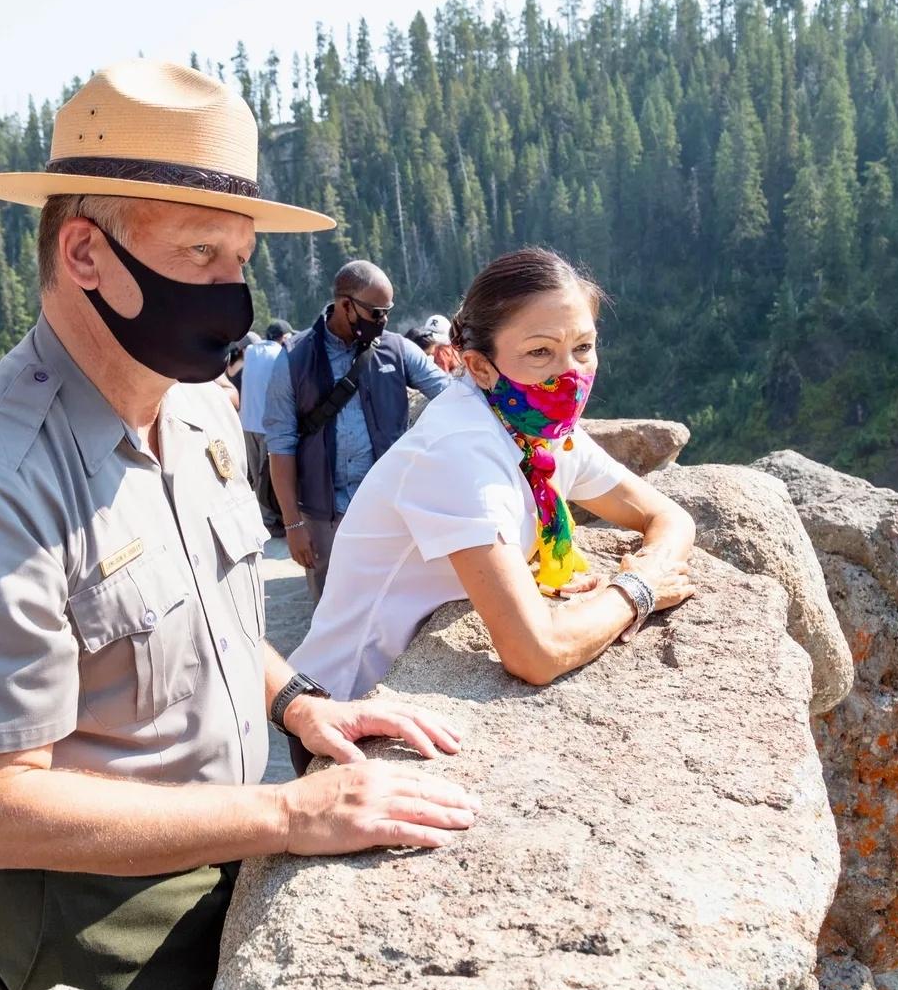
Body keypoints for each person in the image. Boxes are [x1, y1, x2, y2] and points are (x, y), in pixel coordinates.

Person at [0, 60, 476, 990]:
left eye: (240, 259)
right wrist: (286, 812)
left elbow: (203, 618)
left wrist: (297, 704)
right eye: (200, 256)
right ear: (84, 255)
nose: (231, 292)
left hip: (219, 869)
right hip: (86, 941)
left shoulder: (194, 414)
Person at [289, 247, 697, 712]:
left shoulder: (536, 429)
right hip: (346, 704)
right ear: (481, 367)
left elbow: (666, 515)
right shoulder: (457, 450)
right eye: (540, 352)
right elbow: (536, 654)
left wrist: (655, 563)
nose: (571, 373)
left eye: (583, 346)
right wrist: (639, 589)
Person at [264, 261, 451, 604]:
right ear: (345, 304)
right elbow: (281, 445)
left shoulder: (396, 349)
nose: (383, 322)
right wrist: (293, 526)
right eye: (377, 313)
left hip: (389, 506)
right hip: (323, 514)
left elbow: (448, 393)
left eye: (388, 312)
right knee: (330, 604)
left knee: (392, 601)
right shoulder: (294, 358)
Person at [239, 321, 291, 532]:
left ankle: (261, 516)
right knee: (267, 475)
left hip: (246, 421)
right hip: (266, 424)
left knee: (253, 472)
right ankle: (268, 521)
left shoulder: (251, 351)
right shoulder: (280, 353)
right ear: (283, 337)